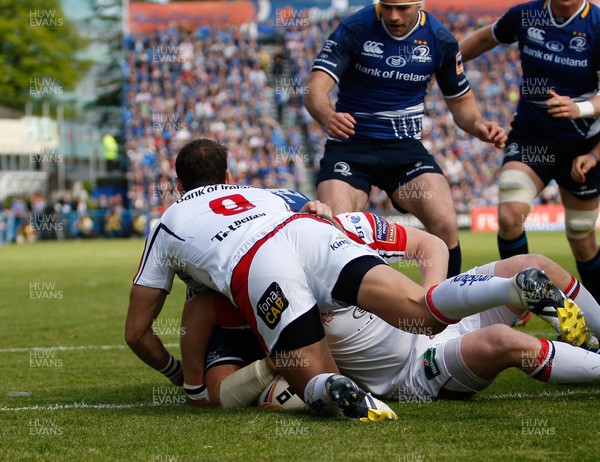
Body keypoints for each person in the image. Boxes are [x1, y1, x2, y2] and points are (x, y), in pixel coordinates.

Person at [125, 138, 583, 420]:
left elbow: (142, 333)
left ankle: (334, 394)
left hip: (261, 266)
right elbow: (312, 209)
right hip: (307, 237)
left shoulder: (173, 229)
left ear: (180, 185)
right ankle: (508, 289)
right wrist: (322, 216)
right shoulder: (275, 198)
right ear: (229, 178)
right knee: (432, 316)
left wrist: (183, 381)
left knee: (311, 377)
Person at [179, 218, 600, 408]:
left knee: (537, 265)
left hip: (437, 318)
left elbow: (430, 244)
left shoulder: (343, 227)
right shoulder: (255, 290)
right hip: (415, 372)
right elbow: (218, 389)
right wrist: (277, 366)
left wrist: (428, 297)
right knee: (506, 342)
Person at [304, 0, 507, 278]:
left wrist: (479, 125)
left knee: (445, 222)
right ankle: (344, 314)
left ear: (420, 4)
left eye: (402, 8)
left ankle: (444, 310)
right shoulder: (356, 27)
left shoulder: (440, 39)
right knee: (335, 227)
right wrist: (328, 117)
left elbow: (461, 103)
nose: (394, 16)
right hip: (350, 145)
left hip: (404, 149)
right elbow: (315, 88)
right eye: (387, 7)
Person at [459, 0, 600, 302]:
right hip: (531, 136)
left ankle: (598, 310)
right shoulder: (525, 15)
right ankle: (523, 300)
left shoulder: (597, 25)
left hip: (582, 147)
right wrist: (443, 62)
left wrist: (582, 109)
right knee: (510, 215)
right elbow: (486, 37)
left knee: (581, 235)